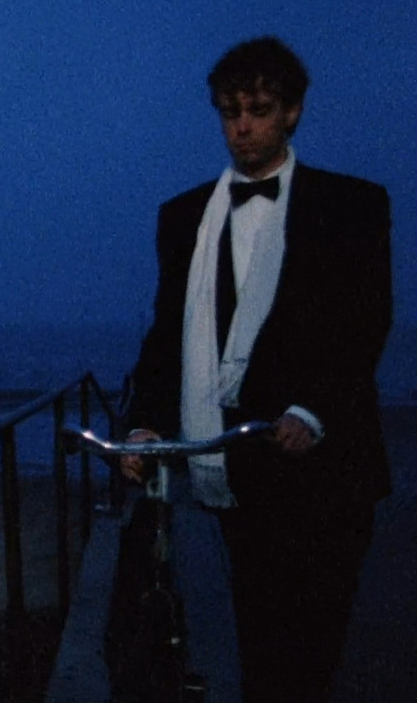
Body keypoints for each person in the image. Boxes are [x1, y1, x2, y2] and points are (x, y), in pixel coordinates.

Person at [121, 36, 392, 702]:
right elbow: (168, 333)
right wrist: (144, 424)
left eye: (259, 110)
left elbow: (364, 323)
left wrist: (311, 409)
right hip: (240, 465)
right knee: (259, 639)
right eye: (230, 112)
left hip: (325, 465)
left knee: (313, 643)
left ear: (293, 112)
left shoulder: (353, 205)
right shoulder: (183, 216)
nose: (242, 126)